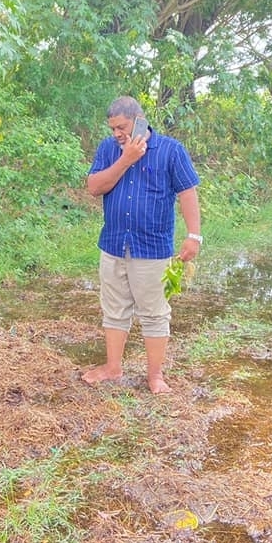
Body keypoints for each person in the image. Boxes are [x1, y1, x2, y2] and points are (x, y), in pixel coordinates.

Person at [82, 96, 201, 394]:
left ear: (139, 120)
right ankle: (113, 368)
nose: (117, 134)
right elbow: (94, 187)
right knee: (114, 310)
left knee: (154, 313)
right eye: (113, 128)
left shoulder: (171, 150)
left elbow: (188, 193)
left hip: (152, 247)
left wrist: (193, 235)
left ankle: (155, 377)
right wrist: (126, 159)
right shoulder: (109, 149)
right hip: (113, 244)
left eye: (121, 127)